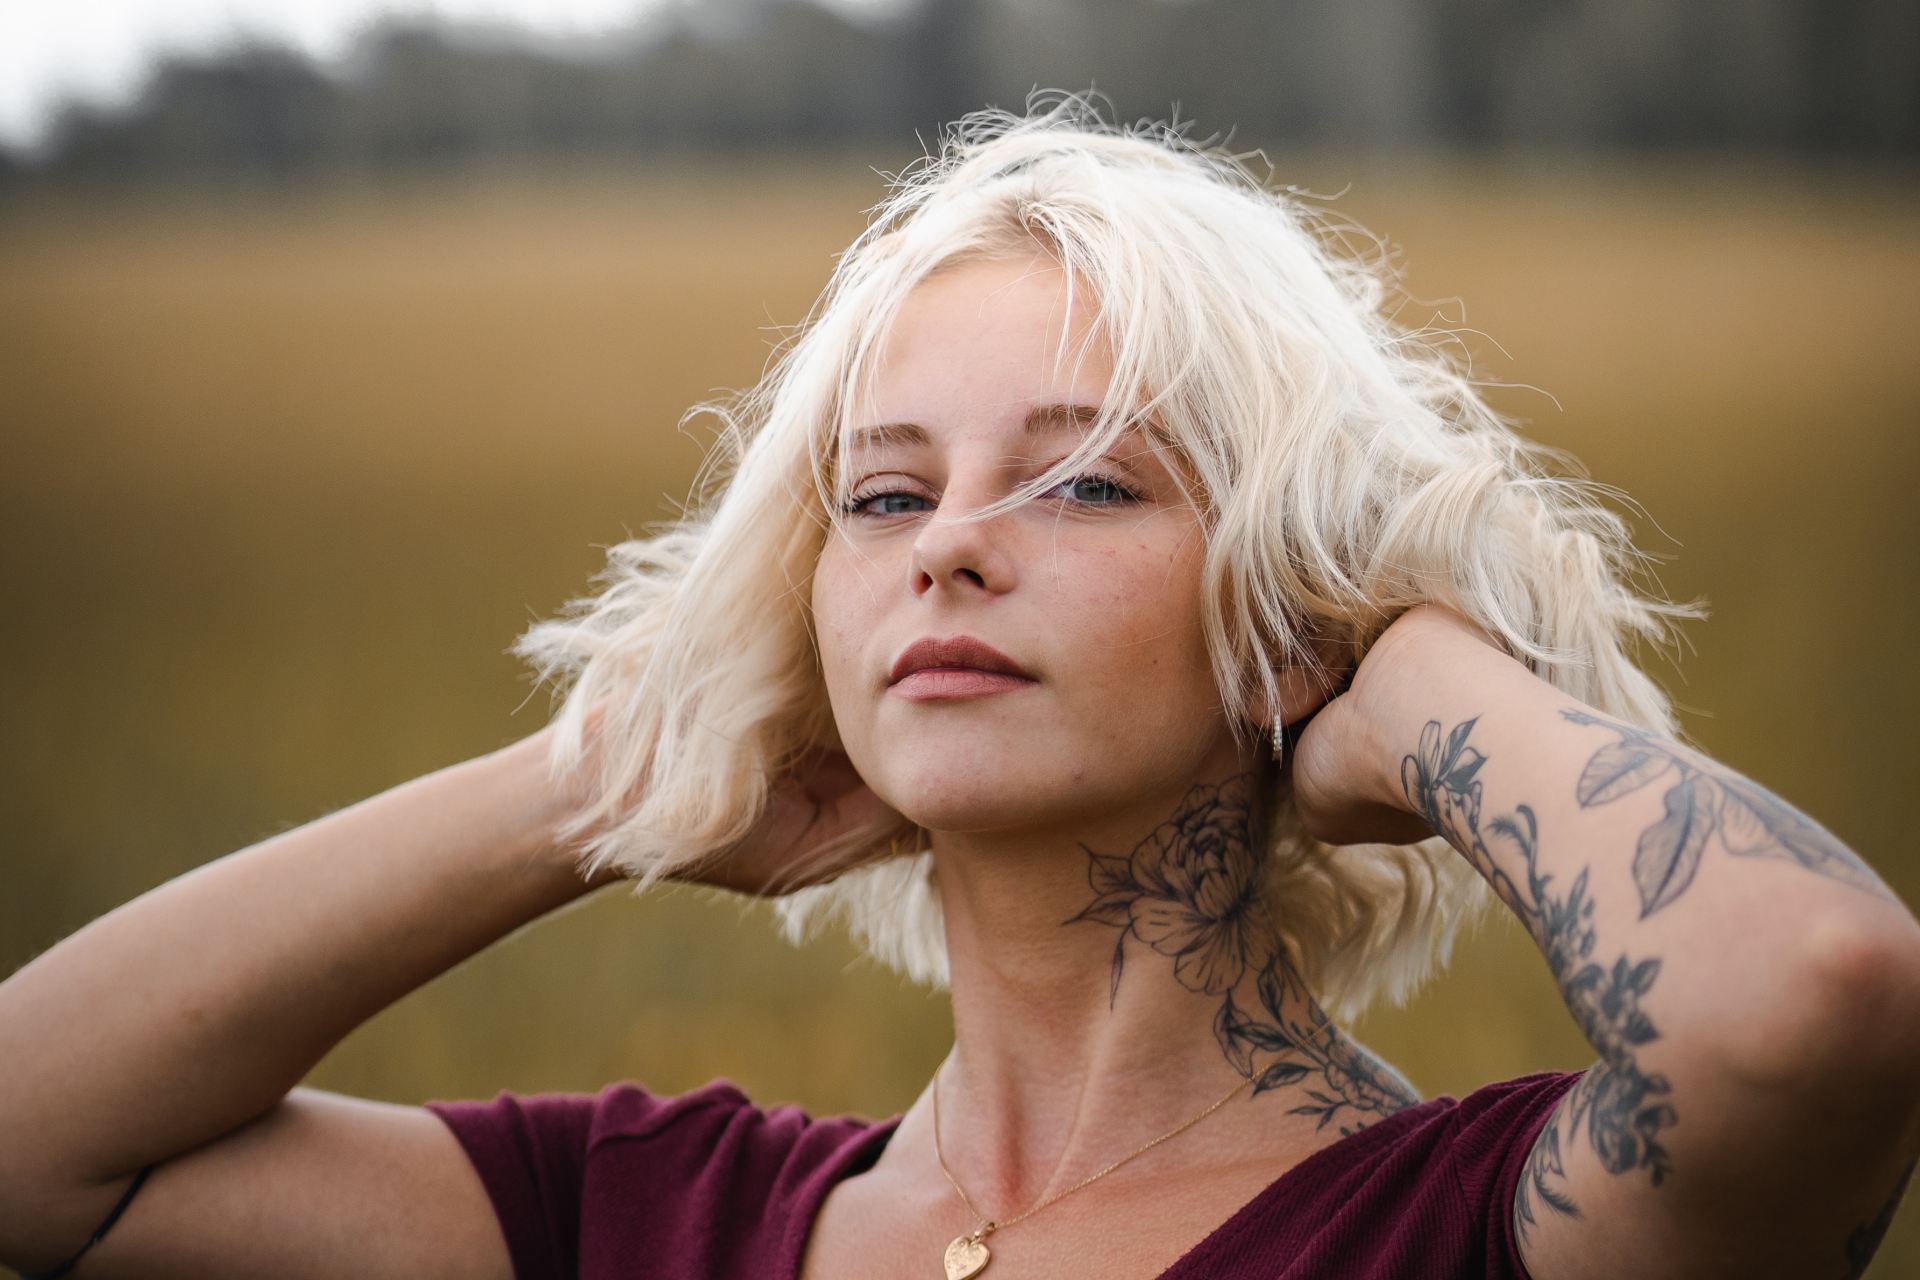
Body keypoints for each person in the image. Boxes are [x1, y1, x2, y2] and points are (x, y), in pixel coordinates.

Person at [1, 94, 1916, 1280]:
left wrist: (1411, 679)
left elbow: (1817, 1002)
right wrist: (615, 785)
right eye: (886, 492)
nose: (950, 545)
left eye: (1088, 478)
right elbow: (33, 1156)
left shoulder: (1467, 1229)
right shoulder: (654, 1218)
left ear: (1281, 604)